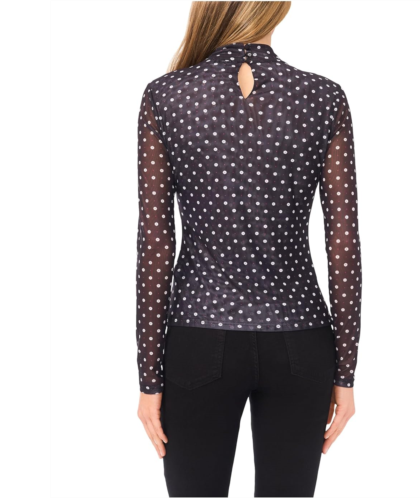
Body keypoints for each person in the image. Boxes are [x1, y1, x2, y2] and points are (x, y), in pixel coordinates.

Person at [136, 2, 362, 496]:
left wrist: (149, 378)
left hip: (198, 336)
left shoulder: (166, 96)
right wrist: (346, 372)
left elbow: (155, 245)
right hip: (300, 339)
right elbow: (343, 243)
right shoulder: (323, 97)